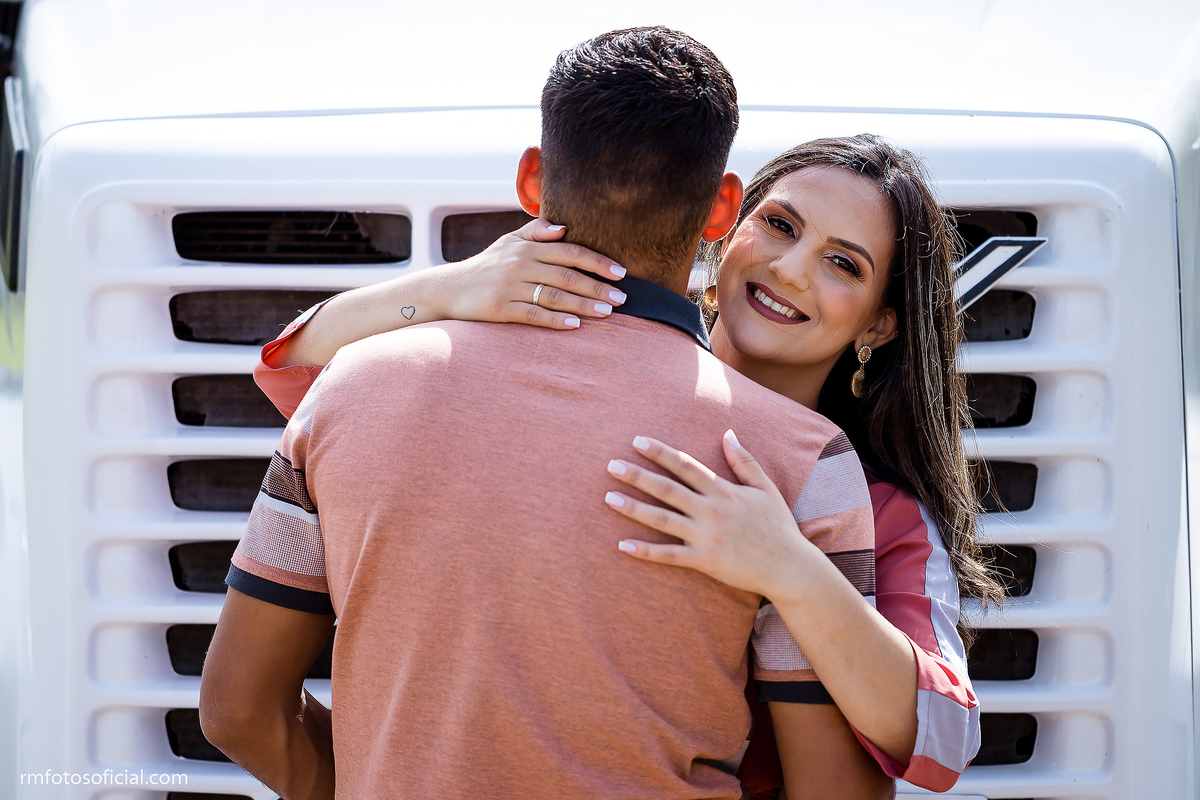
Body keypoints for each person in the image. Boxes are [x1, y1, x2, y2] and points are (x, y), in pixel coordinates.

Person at [199, 27, 886, 800]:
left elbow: (236, 711)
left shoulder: (350, 387)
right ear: (724, 206)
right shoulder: (800, 458)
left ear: (532, 179)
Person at [252, 134, 1002, 796]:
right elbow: (307, 383)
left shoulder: (883, 511)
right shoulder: (596, 380)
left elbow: (943, 739)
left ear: (877, 322)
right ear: (729, 227)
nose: (792, 268)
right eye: (779, 225)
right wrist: (451, 287)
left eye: (842, 262)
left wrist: (791, 569)